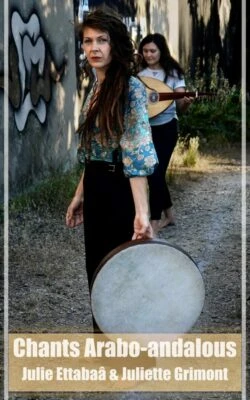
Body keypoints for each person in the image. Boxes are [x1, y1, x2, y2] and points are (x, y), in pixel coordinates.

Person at [66, 10, 158, 330]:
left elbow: (135, 150)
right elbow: (94, 151)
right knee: (98, 270)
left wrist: (141, 213)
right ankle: (105, 349)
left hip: (119, 188)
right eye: (87, 41)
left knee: (123, 273)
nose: (94, 48)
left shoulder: (129, 87)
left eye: (101, 40)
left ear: (115, 44)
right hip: (95, 186)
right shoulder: (96, 87)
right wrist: (80, 194)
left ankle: (130, 352)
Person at [138, 33, 194, 236]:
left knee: (155, 173)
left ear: (161, 51)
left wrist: (185, 103)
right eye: (145, 51)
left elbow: (180, 105)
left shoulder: (172, 74)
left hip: (167, 128)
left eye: (153, 51)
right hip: (145, 129)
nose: (149, 54)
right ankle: (169, 215)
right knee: (156, 173)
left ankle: (154, 222)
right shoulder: (139, 74)